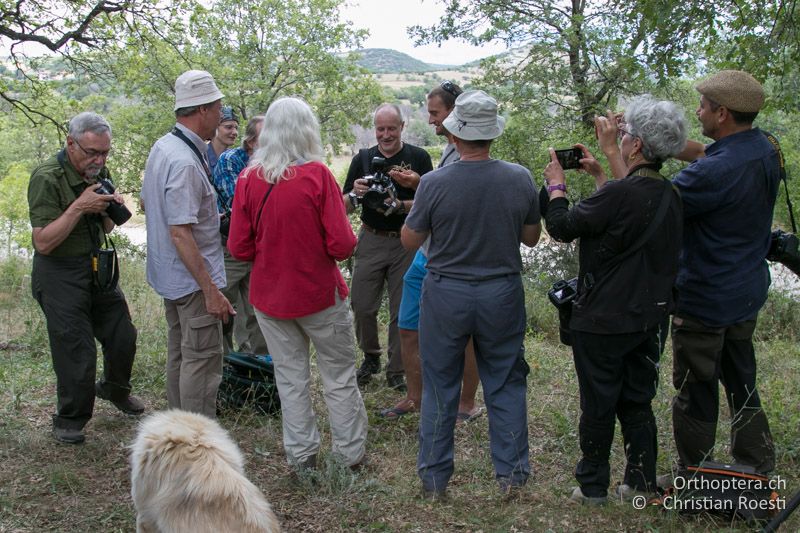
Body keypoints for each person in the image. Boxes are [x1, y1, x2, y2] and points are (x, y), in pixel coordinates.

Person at [543, 95, 687, 505]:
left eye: (624, 135)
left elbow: (563, 226)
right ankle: (639, 480)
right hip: (650, 317)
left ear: (637, 145)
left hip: (604, 319)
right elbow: (625, 217)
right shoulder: (669, 194)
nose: (620, 139)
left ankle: (592, 487)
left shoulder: (622, 195)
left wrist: (556, 187)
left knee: (599, 404)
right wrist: (601, 176)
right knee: (637, 400)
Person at [402, 90, 541, 498]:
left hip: (447, 291)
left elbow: (411, 241)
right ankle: (513, 476)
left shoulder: (434, 182)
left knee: (440, 383)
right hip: (501, 290)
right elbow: (531, 238)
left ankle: (433, 480)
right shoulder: (519, 178)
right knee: (505, 381)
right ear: (492, 134)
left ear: (456, 134)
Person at [228, 96, 368, 469]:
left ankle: (302, 455)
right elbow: (341, 246)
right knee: (338, 377)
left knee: (290, 378)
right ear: (307, 130)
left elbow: (239, 247)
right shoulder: (318, 176)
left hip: (270, 298)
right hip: (318, 294)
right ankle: (349, 455)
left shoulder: (248, 179)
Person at [667, 70, 779, 477]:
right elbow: (702, 153)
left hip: (706, 297)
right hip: (746, 290)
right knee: (742, 379)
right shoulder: (765, 147)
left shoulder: (709, 176)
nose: (698, 111)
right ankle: (756, 461)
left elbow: (650, 208)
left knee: (695, 388)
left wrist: (621, 152)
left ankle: (697, 473)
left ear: (723, 113)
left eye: (703, 106)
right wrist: (658, 137)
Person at [28, 111, 143, 444]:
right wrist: (79, 206)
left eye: (105, 152)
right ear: (70, 143)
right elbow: (43, 241)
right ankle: (70, 418)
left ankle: (115, 390)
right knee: (75, 347)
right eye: (92, 152)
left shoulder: (98, 171)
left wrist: (110, 206)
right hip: (59, 271)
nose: (99, 159)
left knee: (123, 334)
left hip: (96, 267)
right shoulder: (47, 177)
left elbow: (106, 226)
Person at [379, 81, 482, 422]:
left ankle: (465, 405)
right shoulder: (451, 151)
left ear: (456, 114)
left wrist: (418, 189)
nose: (432, 120)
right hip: (426, 254)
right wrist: (419, 184)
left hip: (450, 257)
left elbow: (458, 197)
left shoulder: (470, 155)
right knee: (409, 327)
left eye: (436, 113)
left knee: (463, 334)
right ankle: (416, 397)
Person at [141, 70, 234, 418]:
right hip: (192, 282)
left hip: (172, 278)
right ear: (203, 110)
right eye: (218, 108)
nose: (222, 116)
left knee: (180, 352)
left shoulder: (163, 147)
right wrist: (210, 289)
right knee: (201, 361)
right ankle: (195, 441)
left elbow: (149, 203)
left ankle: (178, 429)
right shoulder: (183, 162)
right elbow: (180, 231)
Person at [343, 103, 433, 389]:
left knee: (401, 308)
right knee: (362, 304)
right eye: (380, 129)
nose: (385, 135)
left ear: (402, 127)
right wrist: (355, 194)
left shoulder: (418, 157)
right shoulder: (364, 158)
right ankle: (371, 356)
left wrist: (399, 206)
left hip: (406, 239)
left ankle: (398, 369)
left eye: (391, 128)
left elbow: (430, 202)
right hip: (370, 237)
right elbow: (342, 205)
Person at [212, 115, 269, 356]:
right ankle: (224, 364)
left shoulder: (277, 163)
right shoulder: (230, 160)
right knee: (223, 309)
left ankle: (258, 368)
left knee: (259, 311)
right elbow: (241, 204)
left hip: (261, 250)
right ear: (252, 141)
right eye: (266, 138)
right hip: (232, 249)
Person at [206, 105, 239, 174]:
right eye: (229, 127)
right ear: (215, 127)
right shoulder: (201, 157)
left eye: (236, 128)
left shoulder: (235, 158)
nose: (235, 132)